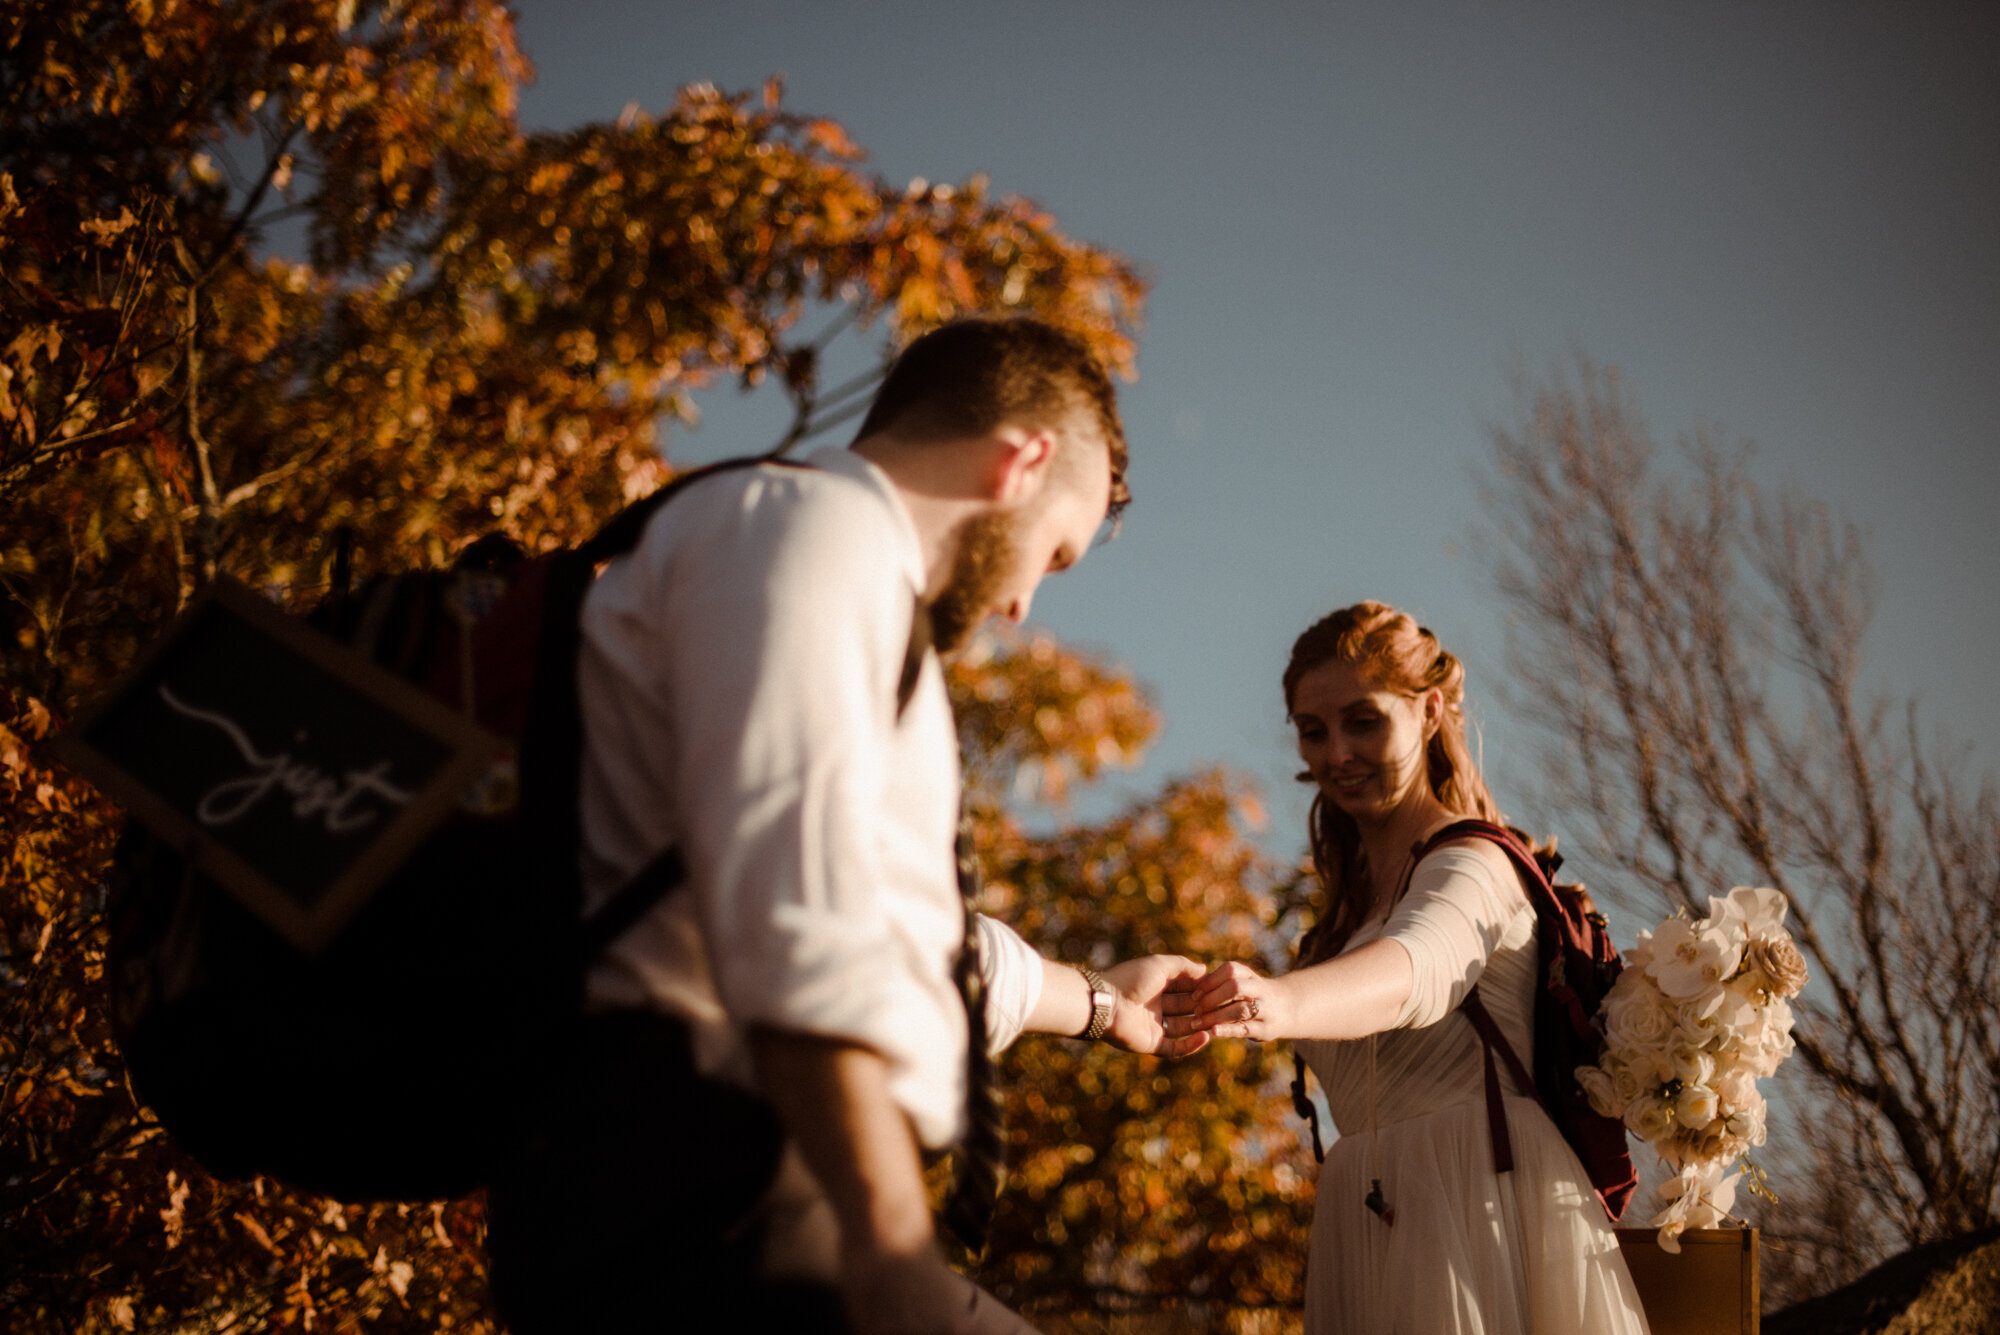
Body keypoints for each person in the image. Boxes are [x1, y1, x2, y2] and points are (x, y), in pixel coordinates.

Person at [485, 317, 1201, 1335]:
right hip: (701, 1186)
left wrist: (1097, 1003)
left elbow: (882, 933)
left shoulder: (826, 567)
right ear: (1021, 459)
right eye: (1053, 552)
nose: (1019, 605)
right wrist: (890, 1253)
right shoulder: (809, 531)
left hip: (723, 1175)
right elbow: (796, 930)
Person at [1169, 602, 1650, 1334]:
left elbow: (1418, 968)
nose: (1335, 754)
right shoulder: (1341, 920)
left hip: (1474, 1208)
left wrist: (1273, 1002)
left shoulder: (1475, 860)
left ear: (1429, 712)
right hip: (1362, 1227)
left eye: (1363, 720)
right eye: (1313, 730)